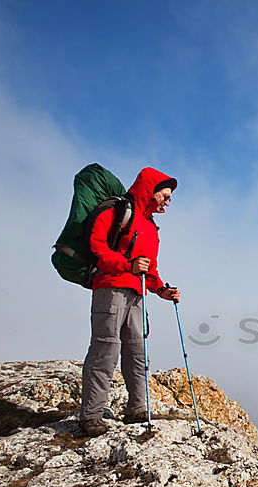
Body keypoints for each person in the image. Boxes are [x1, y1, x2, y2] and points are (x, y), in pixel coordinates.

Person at [79, 167, 181, 436]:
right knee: (106, 350)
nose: (168, 202)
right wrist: (127, 265)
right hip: (110, 289)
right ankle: (90, 416)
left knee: (137, 352)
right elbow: (96, 247)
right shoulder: (116, 212)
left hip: (138, 294)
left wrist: (163, 291)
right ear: (151, 190)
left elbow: (150, 268)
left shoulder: (149, 227)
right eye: (165, 195)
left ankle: (137, 409)